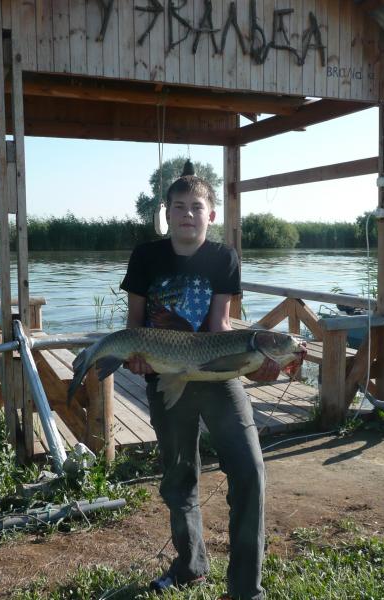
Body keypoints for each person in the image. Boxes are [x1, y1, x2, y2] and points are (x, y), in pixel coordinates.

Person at [119, 161, 284, 600]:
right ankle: (190, 565)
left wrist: (256, 360)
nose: (188, 214)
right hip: (164, 375)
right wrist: (134, 359)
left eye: (197, 207)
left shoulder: (224, 257)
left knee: (249, 469)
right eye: (179, 206)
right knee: (178, 478)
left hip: (214, 374)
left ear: (212, 216)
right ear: (166, 214)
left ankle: (246, 589)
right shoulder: (145, 256)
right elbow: (133, 325)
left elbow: (220, 324)